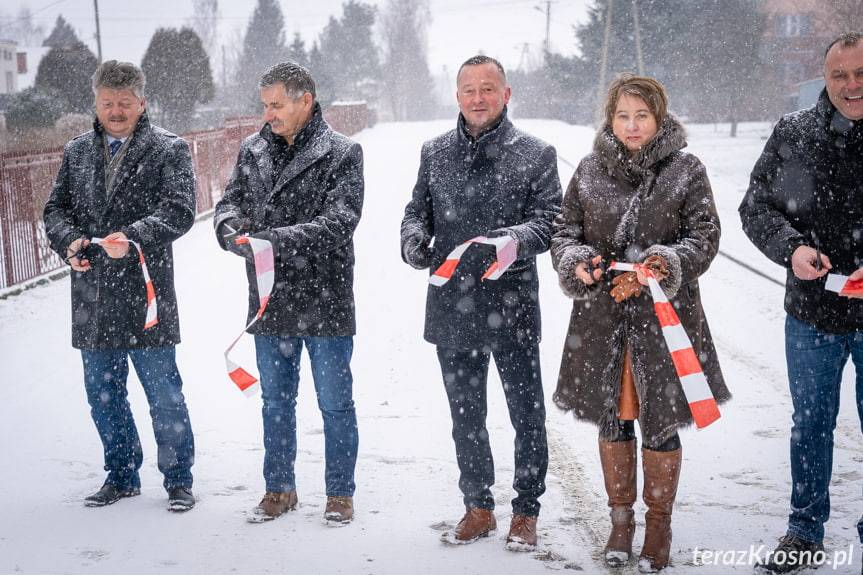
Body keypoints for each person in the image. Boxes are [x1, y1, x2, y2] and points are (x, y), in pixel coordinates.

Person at [551, 74, 730, 572]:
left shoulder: (686, 170)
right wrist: (577, 262)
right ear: (610, 119)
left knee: (661, 419)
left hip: (666, 321)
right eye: (622, 116)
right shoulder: (588, 170)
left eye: (642, 116)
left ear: (659, 117)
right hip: (602, 315)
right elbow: (565, 232)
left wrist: (663, 265)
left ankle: (658, 525)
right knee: (613, 417)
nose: (632, 126)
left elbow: (704, 236)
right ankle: (620, 521)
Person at [400, 55, 561, 551]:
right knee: (465, 415)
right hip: (453, 306)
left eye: (487, 88)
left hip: (511, 304)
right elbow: (415, 213)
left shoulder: (535, 153)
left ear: (506, 94)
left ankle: (526, 510)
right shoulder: (435, 152)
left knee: (526, 414)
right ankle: (478, 505)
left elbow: (550, 220)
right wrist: (412, 241)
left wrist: (515, 239)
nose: (478, 98)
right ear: (457, 96)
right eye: (469, 89)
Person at [42, 60, 197, 512]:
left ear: (141, 103)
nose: (115, 111)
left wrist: (131, 240)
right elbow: (55, 210)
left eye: (124, 104)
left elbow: (179, 210)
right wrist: (67, 240)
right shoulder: (76, 152)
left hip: (146, 293)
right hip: (92, 293)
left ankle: (178, 479)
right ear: (95, 102)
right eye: (108, 103)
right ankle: (122, 473)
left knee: (164, 394)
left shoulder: (169, 149)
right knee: (103, 394)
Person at [214, 62, 363, 526]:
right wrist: (229, 229)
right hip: (269, 298)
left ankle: (339, 493)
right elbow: (229, 202)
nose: (269, 113)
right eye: (265, 105)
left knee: (334, 402)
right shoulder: (252, 149)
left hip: (326, 297)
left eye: (276, 104)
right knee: (275, 401)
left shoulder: (343, 152)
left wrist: (271, 241)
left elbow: (339, 222)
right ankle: (279, 488)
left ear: (305, 100)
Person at [739, 32, 863, 574]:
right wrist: (792, 250)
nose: (851, 85)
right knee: (811, 424)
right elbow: (755, 208)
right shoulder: (795, 134)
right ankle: (805, 528)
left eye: (860, 73)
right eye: (840, 75)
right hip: (813, 313)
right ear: (824, 76)